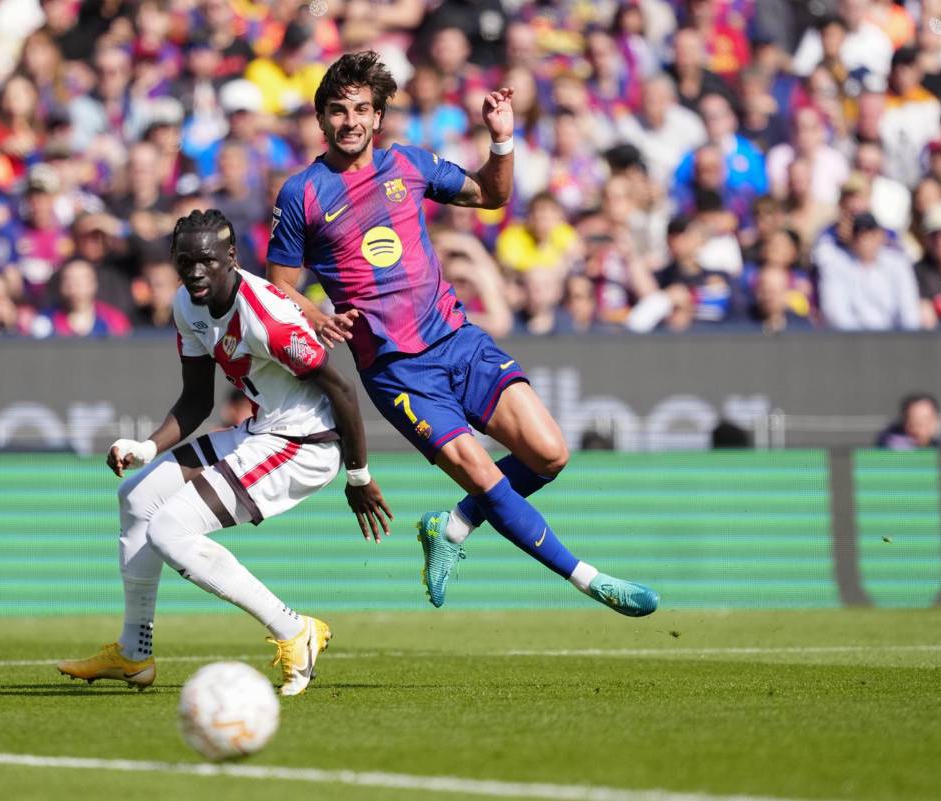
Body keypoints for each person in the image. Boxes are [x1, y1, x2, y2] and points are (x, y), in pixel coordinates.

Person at [266, 52, 658, 616]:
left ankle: (451, 525)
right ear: (321, 118)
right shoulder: (301, 193)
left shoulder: (409, 164)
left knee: (549, 455)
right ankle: (590, 581)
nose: (349, 121)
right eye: (337, 110)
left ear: (378, 117)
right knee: (482, 473)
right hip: (397, 371)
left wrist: (501, 141)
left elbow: (492, 196)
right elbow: (278, 285)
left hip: (457, 339)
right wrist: (318, 314)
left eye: (360, 109)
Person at [58, 210, 391, 695]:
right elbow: (197, 399)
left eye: (207, 261)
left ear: (231, 258)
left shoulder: (267, 317)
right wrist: (148, 446)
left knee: (171, 528)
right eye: (185, 261)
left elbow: (341, 390)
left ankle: (295, 630)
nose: (195, 272)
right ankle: (134, 653)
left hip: (306, 443)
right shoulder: (186, 305)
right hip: (262, 431)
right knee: (136, 498)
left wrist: (358, 476)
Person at [876, 393, 941, 450]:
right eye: (914, 423)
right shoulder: (893, 446)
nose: (918, 430)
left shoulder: (939, 443)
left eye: (925, 421)